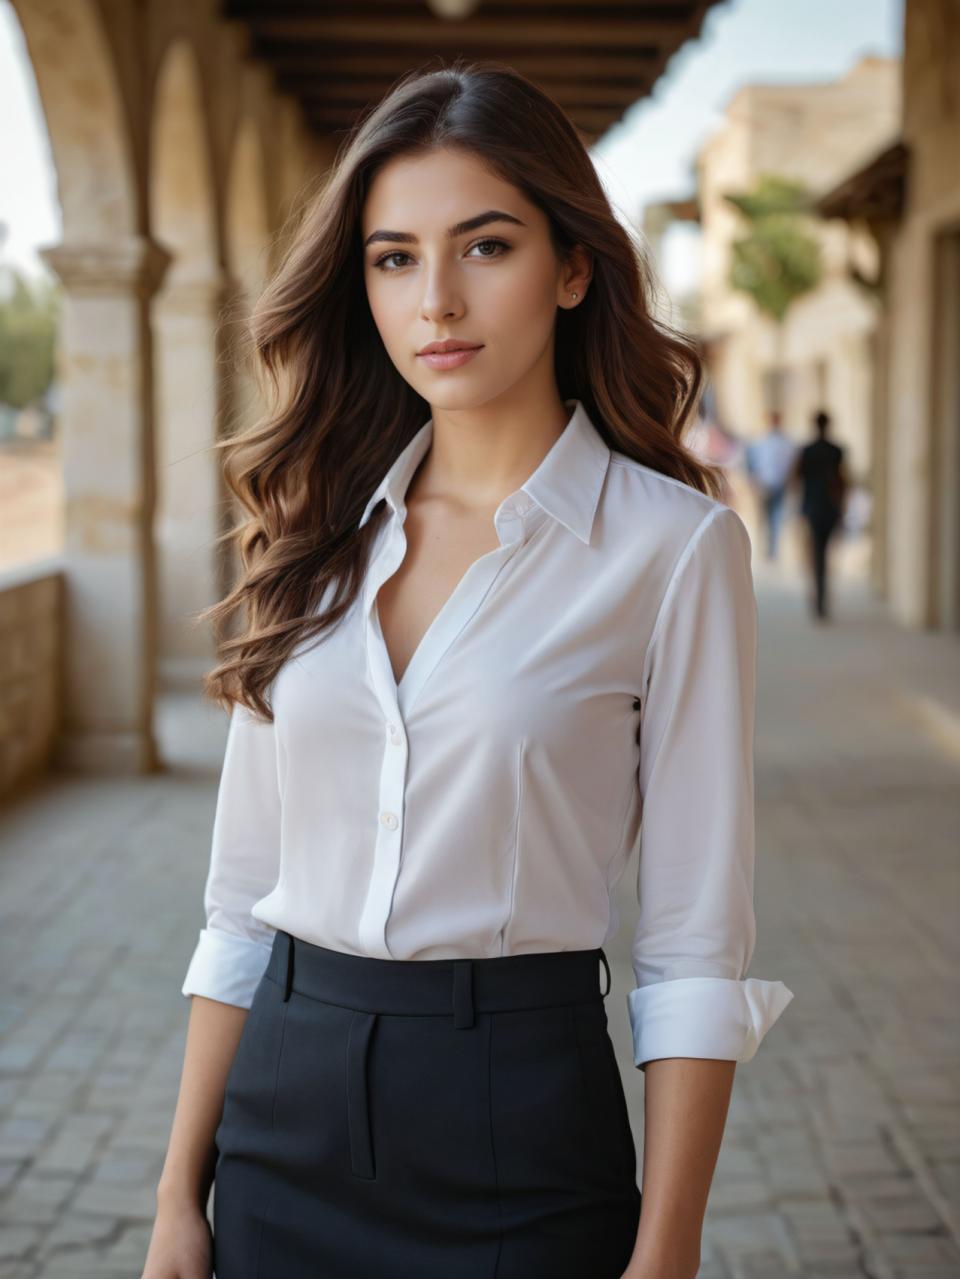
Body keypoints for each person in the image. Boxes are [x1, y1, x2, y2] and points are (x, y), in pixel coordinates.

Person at [141, 59, 794, 1279]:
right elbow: (239, 903)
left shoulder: (673, 549)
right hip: (281, 1115)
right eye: (393, 257)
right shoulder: (315, 531)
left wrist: (666, 1255)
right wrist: (180, 1193)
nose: (435, 298)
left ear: (574, 265)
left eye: (483, 246)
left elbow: (695, 944)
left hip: (519, 1128)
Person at [793, 409, 848, 620]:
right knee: (825, 553)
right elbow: (842, 481)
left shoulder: (807, 451)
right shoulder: (836, 451)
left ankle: (818, 597)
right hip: (831, 507)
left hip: (812, 507)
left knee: (816, 553)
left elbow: (796, 478)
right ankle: (822, 596)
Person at [744, 410, 797, 561]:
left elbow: (791, 464)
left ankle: (772, 550)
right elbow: (752, 463)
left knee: (776, 517)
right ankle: (767, 548)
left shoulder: (785, 443)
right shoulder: (761, 441)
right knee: (766, 517)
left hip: (779, 484)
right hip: (764, 484)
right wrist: (754, 482)